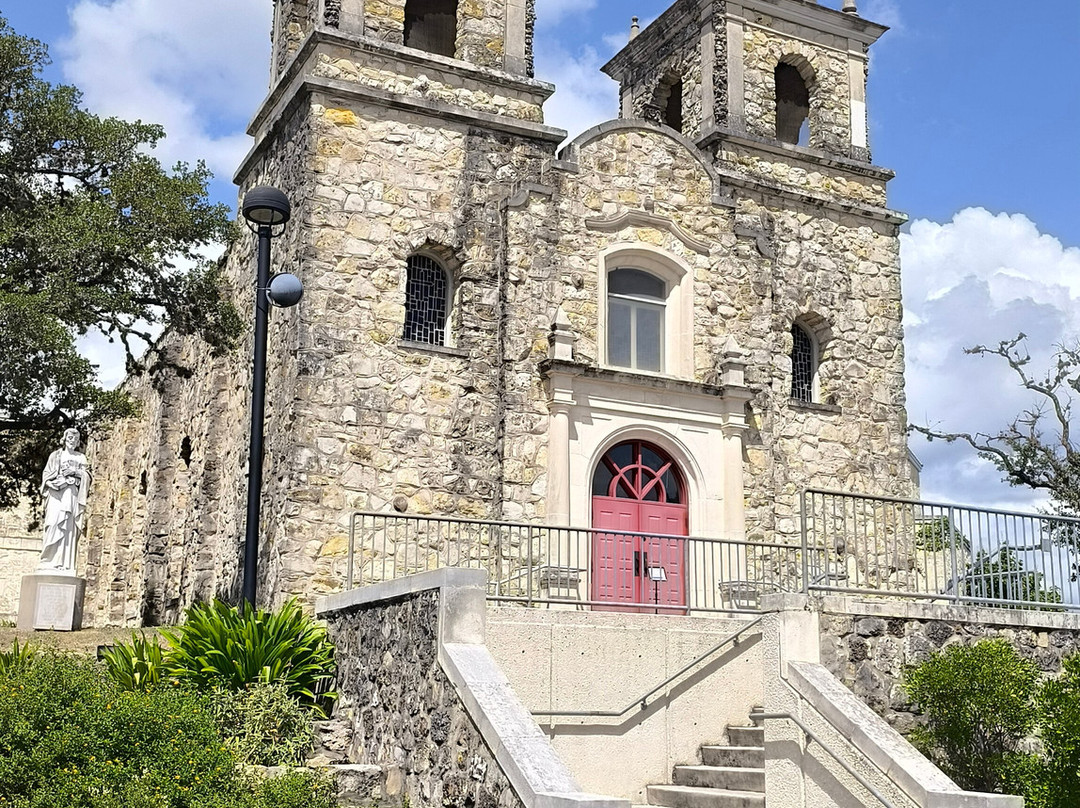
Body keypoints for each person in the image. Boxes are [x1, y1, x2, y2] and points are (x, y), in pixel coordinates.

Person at [39, 428, 91, 573]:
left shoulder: (81, 457)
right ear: (64, 439)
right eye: (69, 437)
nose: (72, 440)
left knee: (68, 528)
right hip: (56, 495)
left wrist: (75, 473)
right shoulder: (55, 456)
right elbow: (46, 475)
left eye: (75, 438)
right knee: (53, 523)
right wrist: (50, 484)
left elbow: (87, 477)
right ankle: (49, 560)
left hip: (72, 494)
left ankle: (66, 564)